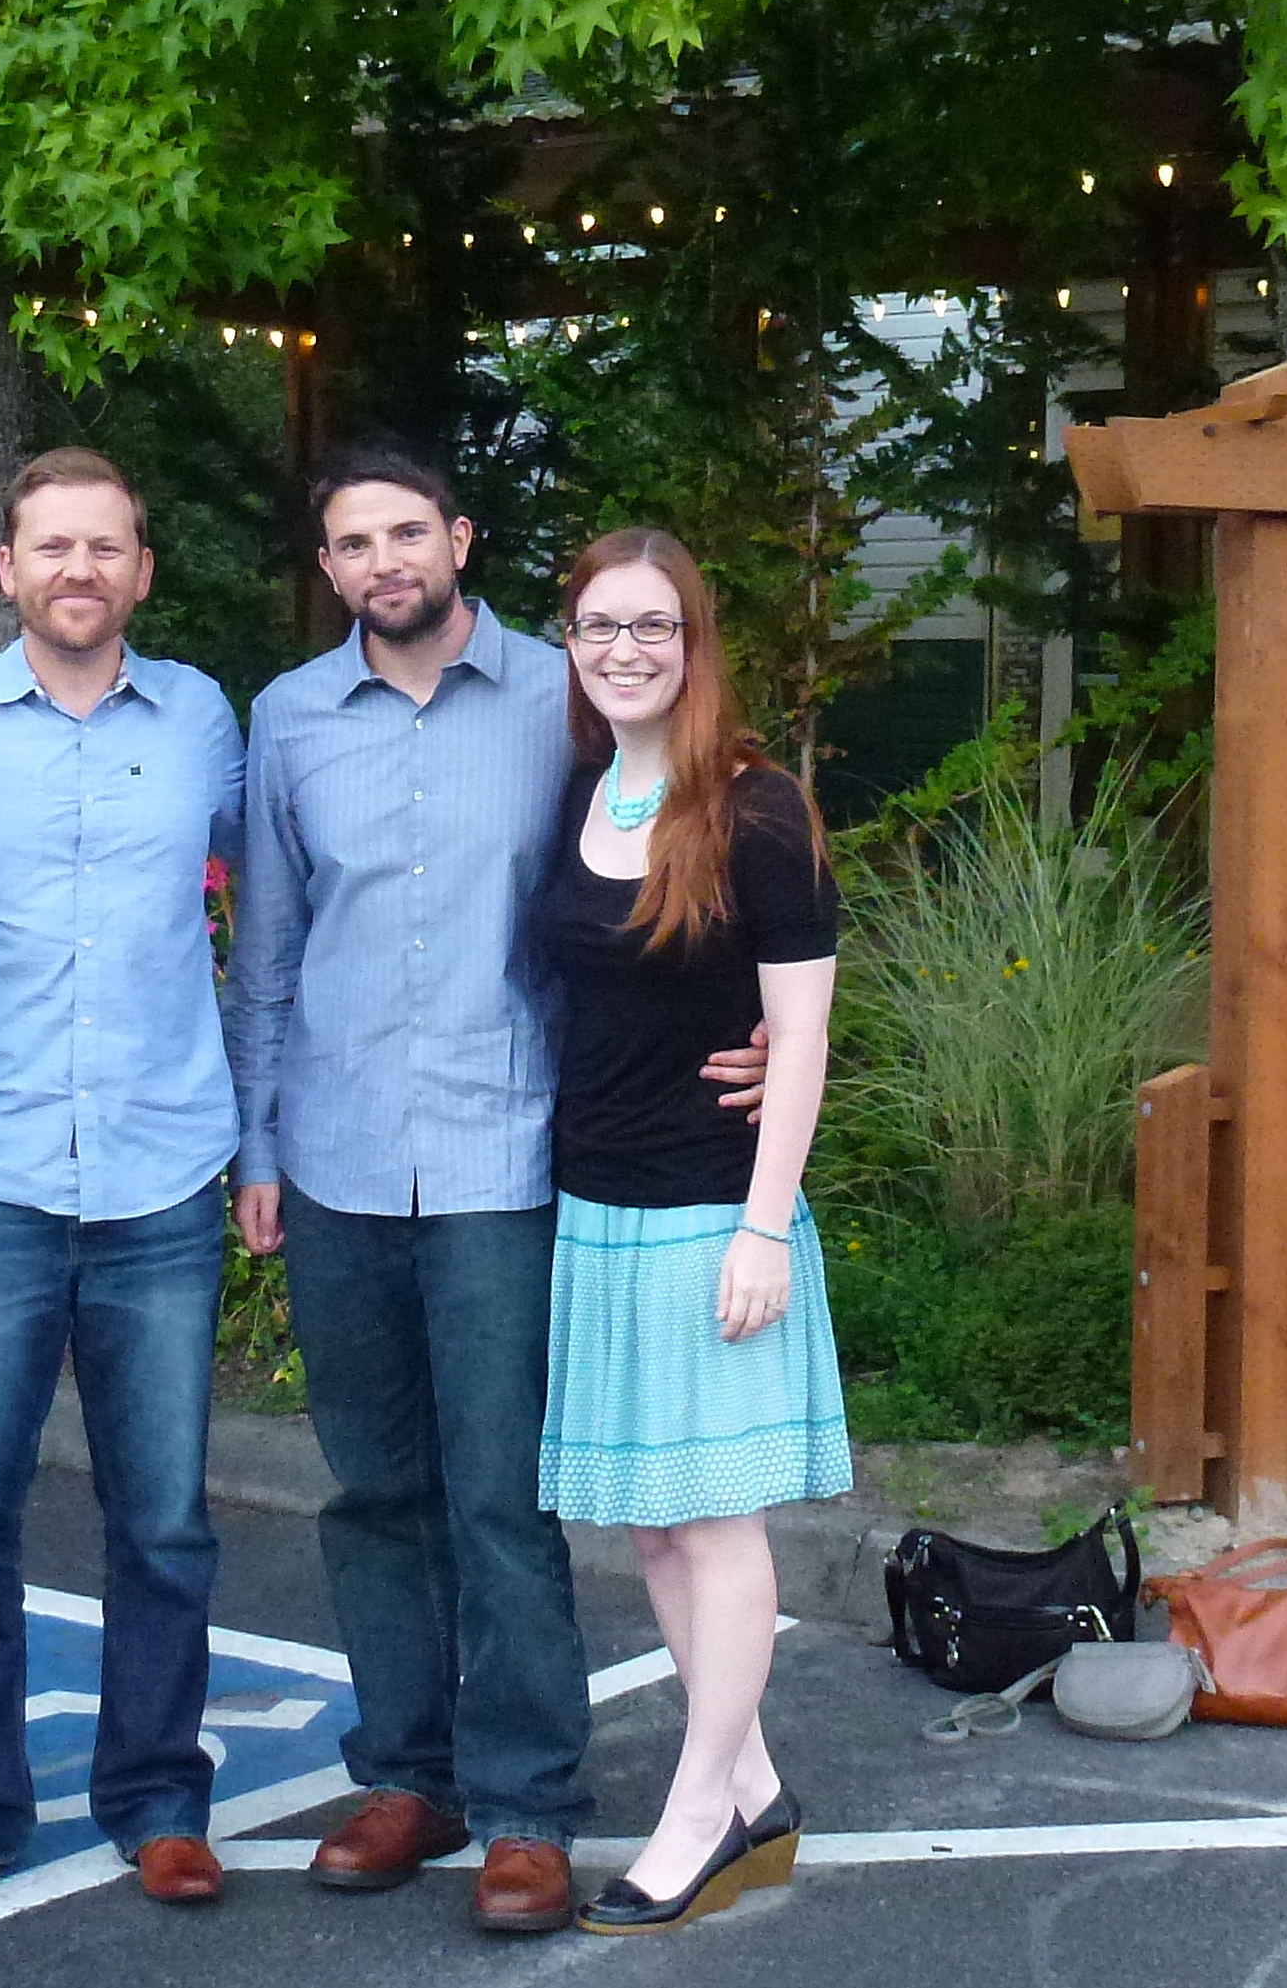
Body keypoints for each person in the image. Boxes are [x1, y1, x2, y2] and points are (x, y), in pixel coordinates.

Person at [225, 446, 762, 1933]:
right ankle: (410, 1776)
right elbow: (266, 949)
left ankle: (526, 1802)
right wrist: (256, 1150)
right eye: (353, 542)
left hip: (507, 1155)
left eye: (408, 532)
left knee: (505, 1494)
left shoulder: (560, 694)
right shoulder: (287, 717)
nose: (384, 561)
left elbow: (692, 844)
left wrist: (776, 1022)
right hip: (334, 1159)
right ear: (329, 568)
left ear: (459, 540)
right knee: (371, 1489)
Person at [0, 449, 247, 1913]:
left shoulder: (206, 720)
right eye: (52, 546)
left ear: (142, 571)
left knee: (162, 1520)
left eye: (106, 546)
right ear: (6, 567)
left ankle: (159, 1794)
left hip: (164, 1175)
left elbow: (304, 887)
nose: (79, 570)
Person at [534, 530, 849, 1936]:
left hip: (715, 1212)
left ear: (695, 640)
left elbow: (802, 1036)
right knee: (658, 1531)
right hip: (596, 1207)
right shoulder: (580, 790)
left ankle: (698, 1814)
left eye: (652, 626)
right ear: (573, 642)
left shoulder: (757, 810)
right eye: (600, 625)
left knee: (717, 1525)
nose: (625, 650)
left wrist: (764, 1229)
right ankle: (756, 1786)